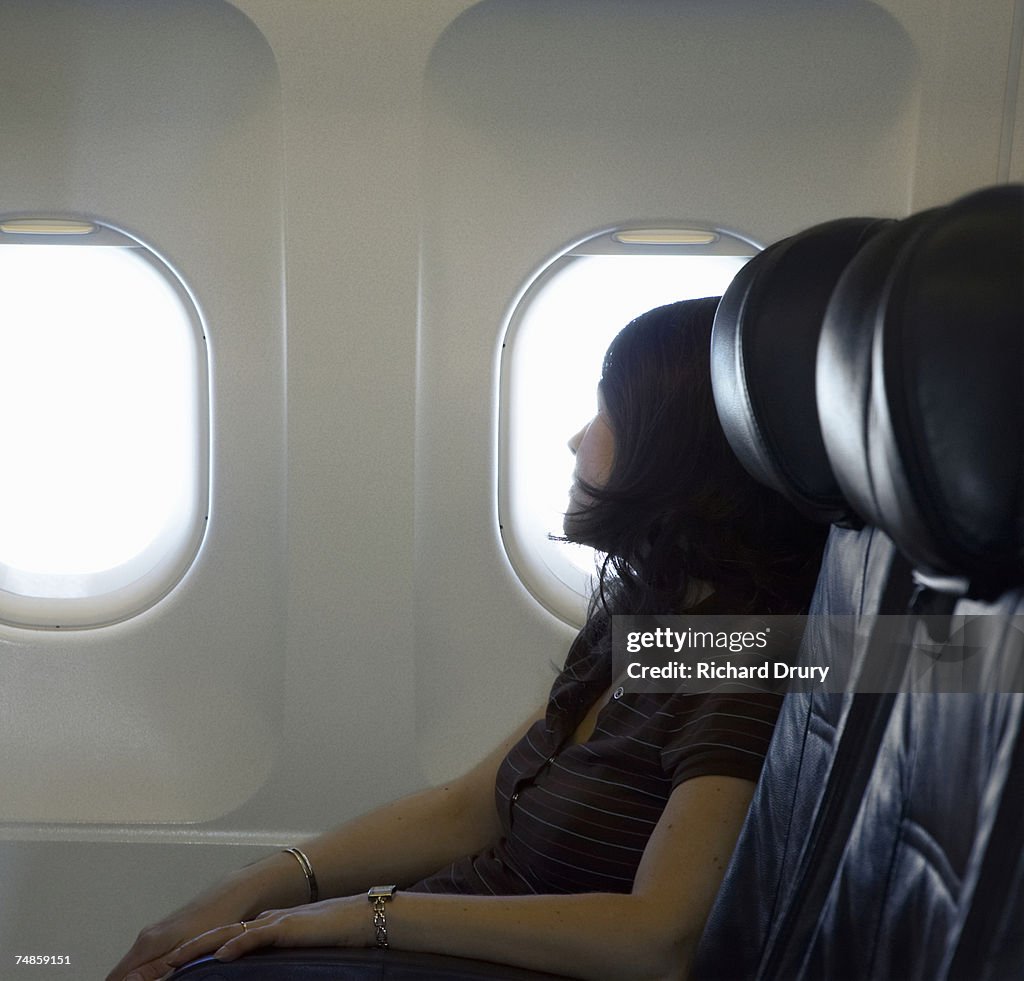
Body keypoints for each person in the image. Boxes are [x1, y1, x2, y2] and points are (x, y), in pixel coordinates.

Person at [108, 296, 826, 981]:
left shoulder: (743, 664)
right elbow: (469, 807)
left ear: (672, 450)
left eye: (607, 410)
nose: (578, 437)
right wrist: (261, 881)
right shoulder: (654, 618)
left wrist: (369, 916)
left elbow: (657, 940)